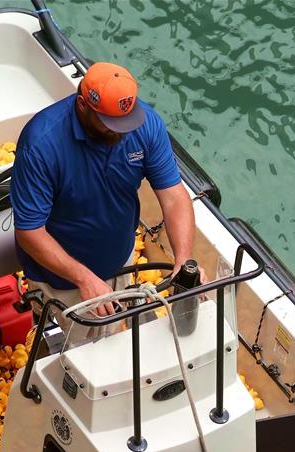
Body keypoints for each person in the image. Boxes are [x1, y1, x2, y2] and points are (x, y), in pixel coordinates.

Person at [10, 61, 198, 332]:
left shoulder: (145, 125)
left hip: (119, 261)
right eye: (110, 123)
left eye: (126, 121)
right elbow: (29, 231)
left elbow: (174, 197)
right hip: (61, 279)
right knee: (80, 357)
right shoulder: (41, 144)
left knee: (111, 335)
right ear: (83, 105)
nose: (121, 131)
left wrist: (183, 260)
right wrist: (84, 279)